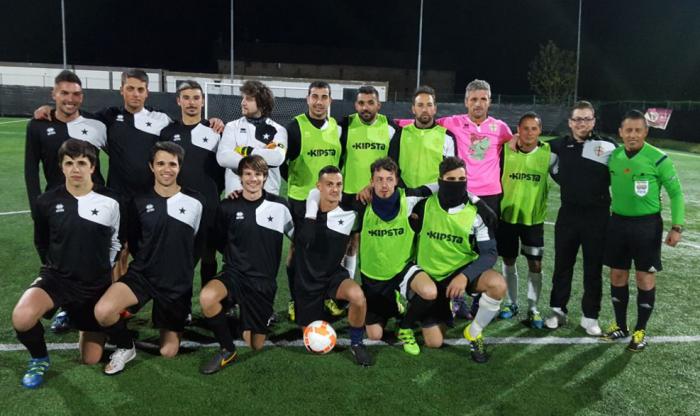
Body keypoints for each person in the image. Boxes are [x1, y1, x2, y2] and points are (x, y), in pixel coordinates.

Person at [12, 139, 121, 388]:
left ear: (92, 167)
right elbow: (41, 242)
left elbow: (116, 242)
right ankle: (39, 359)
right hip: (57, 278)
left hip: (94, 284)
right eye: (69, 163)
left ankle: (76, 316)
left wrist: (105, 272)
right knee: (22, 316)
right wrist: (55, 267)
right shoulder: (46, 202)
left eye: (82, 163)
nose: (75, 169)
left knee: (91, 359)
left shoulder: (112, 201)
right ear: (61, 167)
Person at [94, 142, 205, 375]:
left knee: (168, 351)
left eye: (172, 164)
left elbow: (196, 241)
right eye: (160, 163)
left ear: (179, 167)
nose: (167, 169)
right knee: (103, 311)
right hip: (142, 275)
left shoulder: (196, 202)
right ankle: (126, 346)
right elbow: (131, 242)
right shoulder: (137, 201)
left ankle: (163, 320)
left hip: (176, 284)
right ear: (151, 167)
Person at [305, 157, 434, 355]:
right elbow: (316, 191)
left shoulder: (408, 198)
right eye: (379, 179)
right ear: (371, 181)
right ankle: (394, 304)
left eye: (389, 179)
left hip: (402, 270)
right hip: (373, 277)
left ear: (397, 180)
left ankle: (405, 327)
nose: (384, 185)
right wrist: (310, 216)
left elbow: (437, 186)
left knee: (429, 291)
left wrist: (474, 199)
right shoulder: (361, 203)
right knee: (374, 334)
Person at [25, 70, 108, 332]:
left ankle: (99, 306)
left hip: (94, 203)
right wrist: (35, 207)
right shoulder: (38, 125)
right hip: (55, 206)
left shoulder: (95, 124)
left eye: (75, 94)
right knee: (56, 260)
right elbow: (30, 170)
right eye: (64, 93)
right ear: (54, 94)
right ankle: (65, 306)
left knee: (95, 258)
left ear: (82, 96)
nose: (70, 99)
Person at [199, 155, 294, 374]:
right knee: (207, 297)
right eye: (248, 174)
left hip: (263, 282)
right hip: (235, 274)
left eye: (258, 174)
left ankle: (244, 319)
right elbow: (218, 241)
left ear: (265, 177)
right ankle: (227, 349)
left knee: (255, 343)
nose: (253, 179)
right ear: (240, 178)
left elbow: (297, 236)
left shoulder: (279, 205)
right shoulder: (227, 206)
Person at [602, 110, 685, 351]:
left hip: (647, 226)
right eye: (628, 130)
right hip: (617, 223)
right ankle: (620, 325)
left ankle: (640, 330)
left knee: (644, 277)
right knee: (617, 275)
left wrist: (676, 226)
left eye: (638, 130)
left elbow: (676, 194)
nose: (633, 135)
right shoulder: (614, 156)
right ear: (620, 132)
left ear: (646, 132)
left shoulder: (658, 159)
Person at [409, 157, 505, 363]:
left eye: (462, 178)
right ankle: (443, 307)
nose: (457, 183)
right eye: (450, 179)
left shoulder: (477, 214)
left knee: (497, 285)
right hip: (430, 278)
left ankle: (474, 331)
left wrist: (464, 276)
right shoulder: (423, 206)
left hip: (460, 272)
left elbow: (489, 253)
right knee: (434, 342)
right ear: (440, 180)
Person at [437, 79, 513, 320]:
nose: (478, 104)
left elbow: (518, 144)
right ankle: (457, 299)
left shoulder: (500, 128)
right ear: (466, 101)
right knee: (460, 243)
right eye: (473, 99)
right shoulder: (453, 122)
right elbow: (422, 124)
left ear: (489, 101)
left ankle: (481, 297)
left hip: (490, 196)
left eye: (483, 99)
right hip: (463, 192)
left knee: (486, 245)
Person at [544, 101, 617, 336]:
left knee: (592, 268)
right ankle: (557, 311)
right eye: (577, 119)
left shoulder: (607, 146)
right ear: (570, 122)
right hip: (568, 215)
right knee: (562, 265)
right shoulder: (559, 146)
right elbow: (536, 152)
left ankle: (590, 316)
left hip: (597, 218)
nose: (581, 123)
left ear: (594, 121)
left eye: (586, 119)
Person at [295, 166, 371, 366]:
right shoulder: (303, 211)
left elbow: (353, 245)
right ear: (319, 186)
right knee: (313, 340)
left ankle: (356, 343)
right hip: (307, 282)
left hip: (332, 276)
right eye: (329, 184)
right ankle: (322, 308)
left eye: (339, 184)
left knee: (358, 296)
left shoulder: (350, 212)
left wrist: (349, 276)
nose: (335, 189)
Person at [283, 81, 341, 321]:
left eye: (324, 97)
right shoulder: (295, 127)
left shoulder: (336, 128)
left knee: (326, 252)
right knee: (299, 250)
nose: (319, 102)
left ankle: (326, 294)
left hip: (330, 203)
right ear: (307, 99)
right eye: (314, 96)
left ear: (330, 101)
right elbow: (283, 164)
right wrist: (300, 185)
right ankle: (295, 299)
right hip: (301, 200)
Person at [160, 80, 224, 284]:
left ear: (203, 101)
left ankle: (208, 305)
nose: (191, 103)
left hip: (209, 202)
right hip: (178, 203)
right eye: (186, 98)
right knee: (180, 256)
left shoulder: (216, 131)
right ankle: (182, 309)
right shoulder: (168, 133)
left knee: (208, 254)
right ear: (178, 101)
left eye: (196, 98)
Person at [497, 112, 557, 327]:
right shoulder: (505, 150)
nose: (529, 132)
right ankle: (511, 303)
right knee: (508, 260)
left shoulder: (549, 154)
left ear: (540, 131)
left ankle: (533, 308)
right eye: (525, 128)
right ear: (518, 130)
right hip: (507, 217)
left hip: (533, 220)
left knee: (535, 264)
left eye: (534, 128)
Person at [337, 85, 399, 282]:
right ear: (356, 105)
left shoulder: (391, 128)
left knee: (377, 244)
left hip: (377, 196)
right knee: (348, 244)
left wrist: (374, 186)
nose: (365, 107)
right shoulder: (345, 126)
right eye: (361, 103)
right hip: (348, 196)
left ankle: (379, 290)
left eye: (370, 103)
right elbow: (337, 160)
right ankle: (345, 289)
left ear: (378, 105)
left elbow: (394, 165)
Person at [217, 80, 288, 196]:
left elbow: (277, 158)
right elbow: (223, 158)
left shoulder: (279, 130)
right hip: (236, 195)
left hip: (268, 197)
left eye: (249, 99)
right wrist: (263, 157)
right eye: (243, 98)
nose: (243, 103)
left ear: (262, 104)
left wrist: (246, 151)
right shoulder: (231, 127)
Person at [388, 85, 456, 189]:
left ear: (435, 109)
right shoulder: (400, 134)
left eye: (429, 105)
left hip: (434, 196)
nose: (425, 109)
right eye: (420, 105)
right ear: (413, 109)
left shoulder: (447, 137)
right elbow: (391, 167)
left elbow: (450, 172)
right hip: (406, 196)